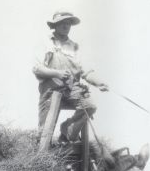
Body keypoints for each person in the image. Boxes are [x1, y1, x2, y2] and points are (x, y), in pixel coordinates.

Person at [33, 11, 108, 143]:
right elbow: (37, 69)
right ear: (55, 25)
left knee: (89, 105)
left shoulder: (74, 46)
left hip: (71, 89)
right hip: (50, 91)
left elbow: (85, 71)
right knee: (44, 134)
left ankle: (67, 131)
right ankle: (42, 156)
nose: (66, 26)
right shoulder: (45, 42)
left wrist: (99, 83)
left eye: (69, 23)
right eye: (63, 23)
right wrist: (57, 73)